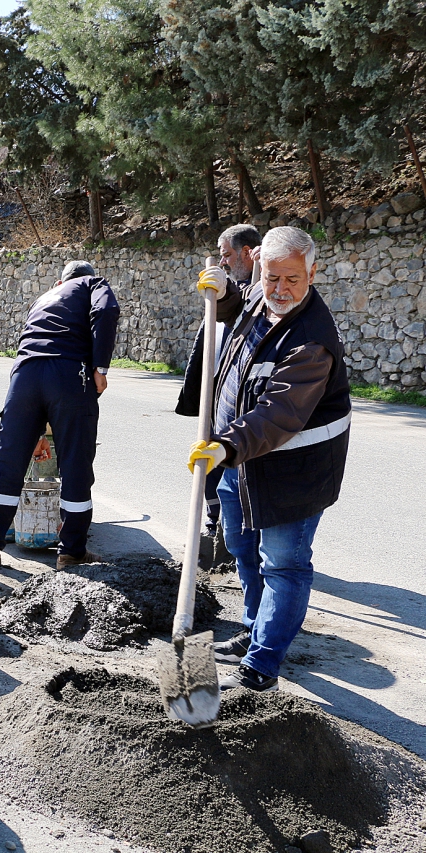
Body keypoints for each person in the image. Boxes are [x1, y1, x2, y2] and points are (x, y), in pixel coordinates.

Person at [189, 226, 351, 692]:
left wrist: (226, 445)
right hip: (241, 460)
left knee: (283, 564)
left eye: (293, 280)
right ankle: (252, 628)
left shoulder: (311, 342)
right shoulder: (262, 295)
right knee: (241, 546)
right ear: (259, 265)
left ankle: (262, 664)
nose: (280, 290)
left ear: (313, 273)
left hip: (292, 473)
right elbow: (240, 308)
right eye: (271, 277)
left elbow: (279, 413)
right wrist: (221, 298)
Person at [0, 261, 120, 570]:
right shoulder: (92, 284)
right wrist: (100, 367)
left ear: (59, 280)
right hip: (69, 371)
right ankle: (71, 552)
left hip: (24, 375)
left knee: (10, 461)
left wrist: (36, 431)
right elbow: (106, 311)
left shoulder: (44, 298)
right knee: (75, 463)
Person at [177, 223, 261, 562]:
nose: (222, 262)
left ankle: (236, 534)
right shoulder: (227, 288)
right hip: (217, 390)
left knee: (233, 461)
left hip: (243, 394)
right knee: (209, 456)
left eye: (227, 255)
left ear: (246, 253)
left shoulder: (258, 290)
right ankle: (215, 528)